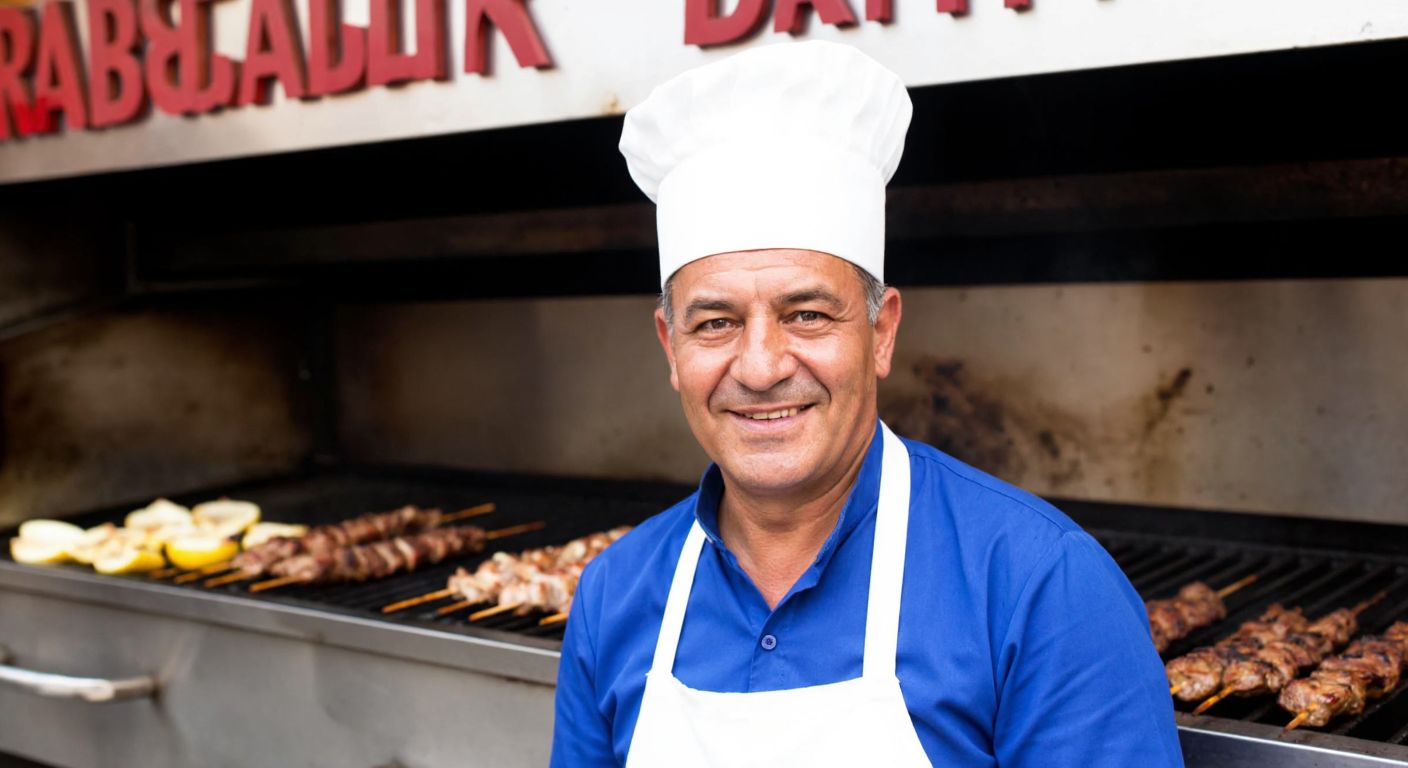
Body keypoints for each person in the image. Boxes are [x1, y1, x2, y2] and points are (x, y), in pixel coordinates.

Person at [550, 40, 1182, 767]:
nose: (759, 367)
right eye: (716, 322)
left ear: (881, 335)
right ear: (671, 347)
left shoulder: (1043, 587)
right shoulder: (613, 595)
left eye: (808, 314)